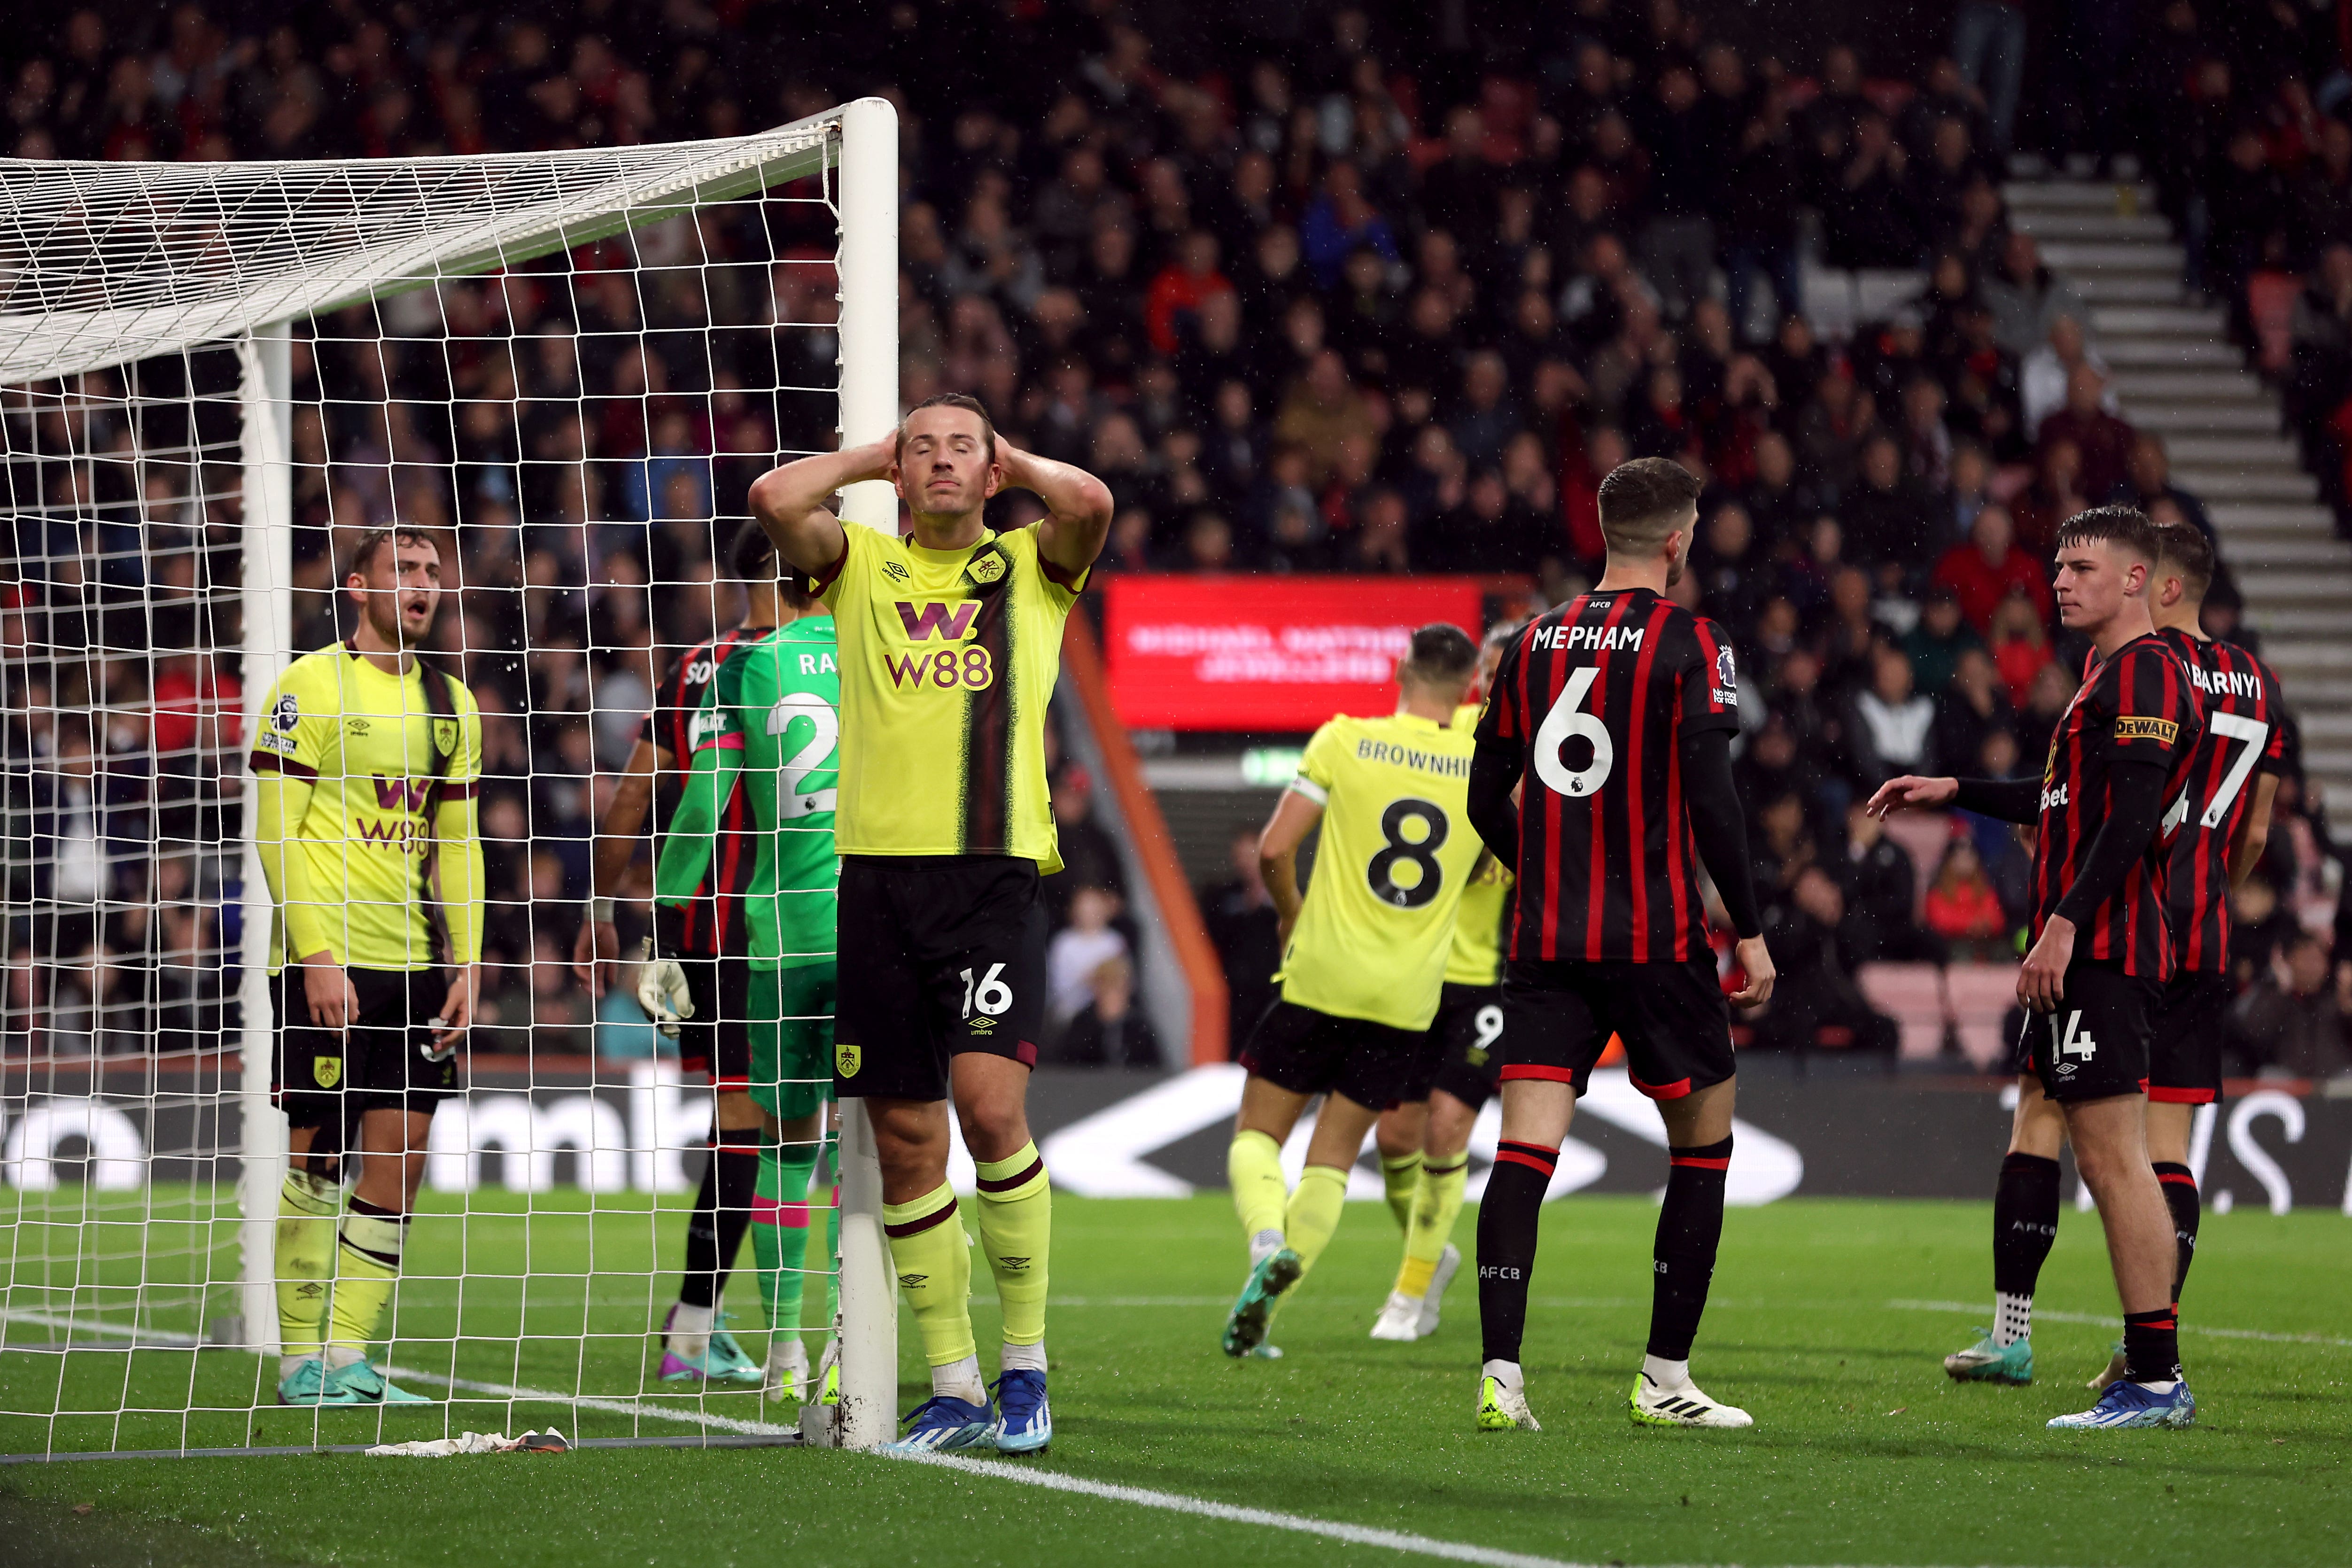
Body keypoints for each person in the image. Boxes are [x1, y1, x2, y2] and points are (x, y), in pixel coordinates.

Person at [751, 393, 1110, 1455]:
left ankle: (1025, 1367)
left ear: (993, 469)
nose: (941, 462)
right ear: (895, 475)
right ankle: (952, 1383)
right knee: (905, 1139)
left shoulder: (1029, 568)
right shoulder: (858, 564)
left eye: (962, 448)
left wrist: (1005, 460)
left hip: (991, 879)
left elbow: (1088, 499)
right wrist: (878, 454)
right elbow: (775, 496)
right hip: (875, 886)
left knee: (989, 1111)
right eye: (924, 449)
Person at [1869, 505, 2205, 1431]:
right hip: (2083, 951)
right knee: (2095, 1154)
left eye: (2083, 566)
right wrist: (1957, 788)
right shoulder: (2104, 675)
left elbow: (2130, 818)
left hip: (2101, 949)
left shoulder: (2142, 672)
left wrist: (2060, 922)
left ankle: (2154, 1377)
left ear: (2137, 579)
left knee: (2112, 1158)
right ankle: (2134, 1368)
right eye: (2057, 565)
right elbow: (2063, 800)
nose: (2059, 580)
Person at [1466, 458, 1777, 1433]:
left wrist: (1546, 870)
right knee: (1701, 1152)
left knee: (1521, 1153)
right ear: (1677, 539)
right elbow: (1713, 802)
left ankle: (1500, 1377)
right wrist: (1752, 930)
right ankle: (1661, 1378)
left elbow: (1483, 798)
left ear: (1606, 530)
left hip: (1547, 941)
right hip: (1655, 940)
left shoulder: (1529, 642)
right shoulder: (1690, 640)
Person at [251, 526, 484, 1407]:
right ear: (359, 586)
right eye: (405, 571)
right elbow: (278, 830)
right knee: (317, 1156)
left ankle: (348, 1356)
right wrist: (314, 952)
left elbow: (455, 841)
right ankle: (298, 1359)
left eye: (432, 572)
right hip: (328, 959)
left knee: (401, 1164)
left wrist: (465, 960)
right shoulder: (307, 687)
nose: (423, 585)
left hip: (418, 966)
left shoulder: (454, 702)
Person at [1219, 624, 1486, 1360]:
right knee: (1334, 1158)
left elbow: (1275, 848)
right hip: (1407, 999)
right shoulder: (1483, 767)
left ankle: (1266, 1239)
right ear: (1468, 690)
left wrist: (1292, 913)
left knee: (1257, 1135)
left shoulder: (1345, 740)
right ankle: (1265, 1316)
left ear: (1402, 669)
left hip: (1322, 973)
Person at [573, 522, 790, 1389]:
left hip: (693, 928)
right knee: (766, 1123)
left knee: (740, 1117)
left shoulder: (693, 666)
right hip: (772, 926)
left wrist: (604, 907)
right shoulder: (819, 661)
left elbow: (636, 791)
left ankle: (703, 1321)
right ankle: (704, 1329)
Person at [2070, 520, 2282, 1389]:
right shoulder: (2255, 679)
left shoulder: (2147, 666)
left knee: (2086, 1135)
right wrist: (2215, 880)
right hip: (2207, 928)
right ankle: (2156, 1337)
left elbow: (2117, 803)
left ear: (2157, 584)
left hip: (2131, 921)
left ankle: (2117, 1341)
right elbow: (2259, 828)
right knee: (2172, 1147)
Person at [644, 526, 841, 1402]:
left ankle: (760, 1340)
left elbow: (674, 800)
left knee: (759, 1128)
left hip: (742, 932)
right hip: (851, 925)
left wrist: (645, 914)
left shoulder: (709, 666)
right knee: (851, 1136)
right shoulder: (870, 656)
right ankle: (745, 1332)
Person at [1367, 617, 1523, 1344]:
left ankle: (1410, 1288)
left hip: (1487, 981)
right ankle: (1436, 1253)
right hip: (1416, 974)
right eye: (1487, 672)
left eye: (1505, 672)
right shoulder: (1445, 737)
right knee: (1395, 1136)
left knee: (1448, 1125)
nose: (1493, 685)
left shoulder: (1546, 759)